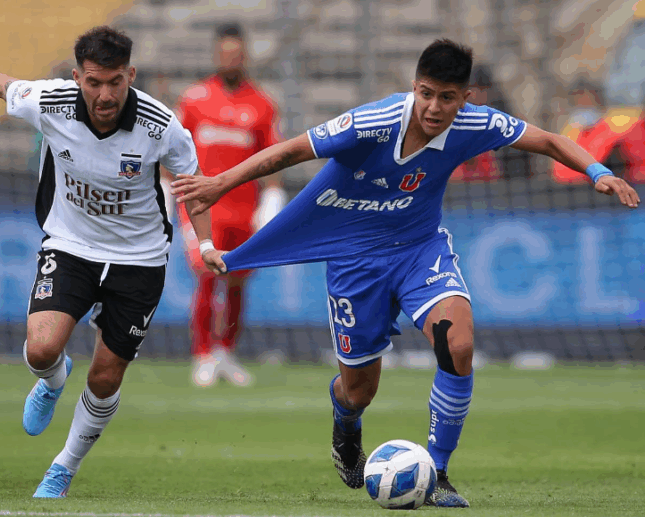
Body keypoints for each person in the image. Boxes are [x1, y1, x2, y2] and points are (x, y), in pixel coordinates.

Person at [172, 39, 640, 508]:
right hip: (356, 261)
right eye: (426, 93)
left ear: (467, 97)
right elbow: (289, 152)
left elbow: (551, 141)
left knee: (457, 344)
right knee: (359, 389)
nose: (434, 107)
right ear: (414, 87)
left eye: (447, 97)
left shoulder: (479, 123)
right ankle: (346, 425)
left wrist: (597, 171)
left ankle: (437, 471)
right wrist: (220, 181)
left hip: (420, 250)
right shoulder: (373, 121)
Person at [0, 26, 225, 498]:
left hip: (139, 260)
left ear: (131, 76)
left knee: (105, 376)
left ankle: (63, 467)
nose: (105, 95)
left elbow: (193, 188)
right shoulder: (51, 100)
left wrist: (204, 247)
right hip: (70, 246)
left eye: (116, 82)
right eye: (94, 81)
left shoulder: (161, 125)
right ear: (78, 77)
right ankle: (53, 381)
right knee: (41, 349)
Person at [171, 22, 286, 387]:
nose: (231, 59)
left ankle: (226, 352)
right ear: (216, 56)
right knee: (207, 275)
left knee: (237, 282)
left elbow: (272, 156)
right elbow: (171, 148)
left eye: (237, 54)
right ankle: (203, 354)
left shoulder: (262, 104)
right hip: (201, 207)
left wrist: (272, 196)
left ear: (245, 56)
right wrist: (162, 186)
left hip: (242, 209)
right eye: (225, 53)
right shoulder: (194, 99)